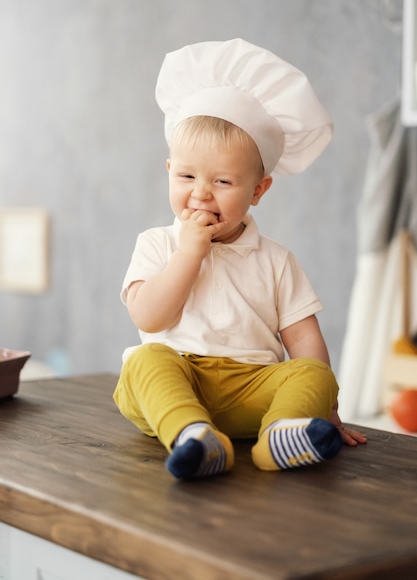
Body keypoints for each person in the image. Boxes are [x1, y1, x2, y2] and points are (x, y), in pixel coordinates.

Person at [113, 38, 367, 479]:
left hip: (253, 386)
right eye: (188, 175)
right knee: (143, 361)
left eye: (224, 181)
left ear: (258, 190)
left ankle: (282, 436)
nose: (201, 192)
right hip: (179, 378)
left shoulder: (276, 259)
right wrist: (189, 253)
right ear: (170, 171)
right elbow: (150, 316)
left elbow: (305, 341)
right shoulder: (157, 243)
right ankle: (194, 436)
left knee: (315, 373)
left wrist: (323, 406)